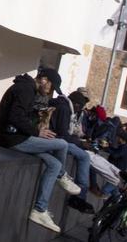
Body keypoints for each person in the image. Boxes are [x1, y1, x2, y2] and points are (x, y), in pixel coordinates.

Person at [0, 69, 82, 233]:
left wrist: (38, 123)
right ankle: (62, 176)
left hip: (17, 136)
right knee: (62, 144)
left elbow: (21, 116)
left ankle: (39, 210)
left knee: (54, 164)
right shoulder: (25, 89)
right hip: (12, 138)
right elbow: (15, 117)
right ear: (44, 80)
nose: (50, 92)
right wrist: (37, 132)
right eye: (51, 87)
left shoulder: (28, 89)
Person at [46, 71, 94, 213]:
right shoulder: (65, 108)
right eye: (81, 104)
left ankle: (83, 193)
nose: (81, 108)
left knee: (87, 156)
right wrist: (80, 143)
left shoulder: (68, 108)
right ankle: (80, 196)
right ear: (77, 104)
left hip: (58, 138)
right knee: (85, 157)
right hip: (55, 139)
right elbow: (63, 135)